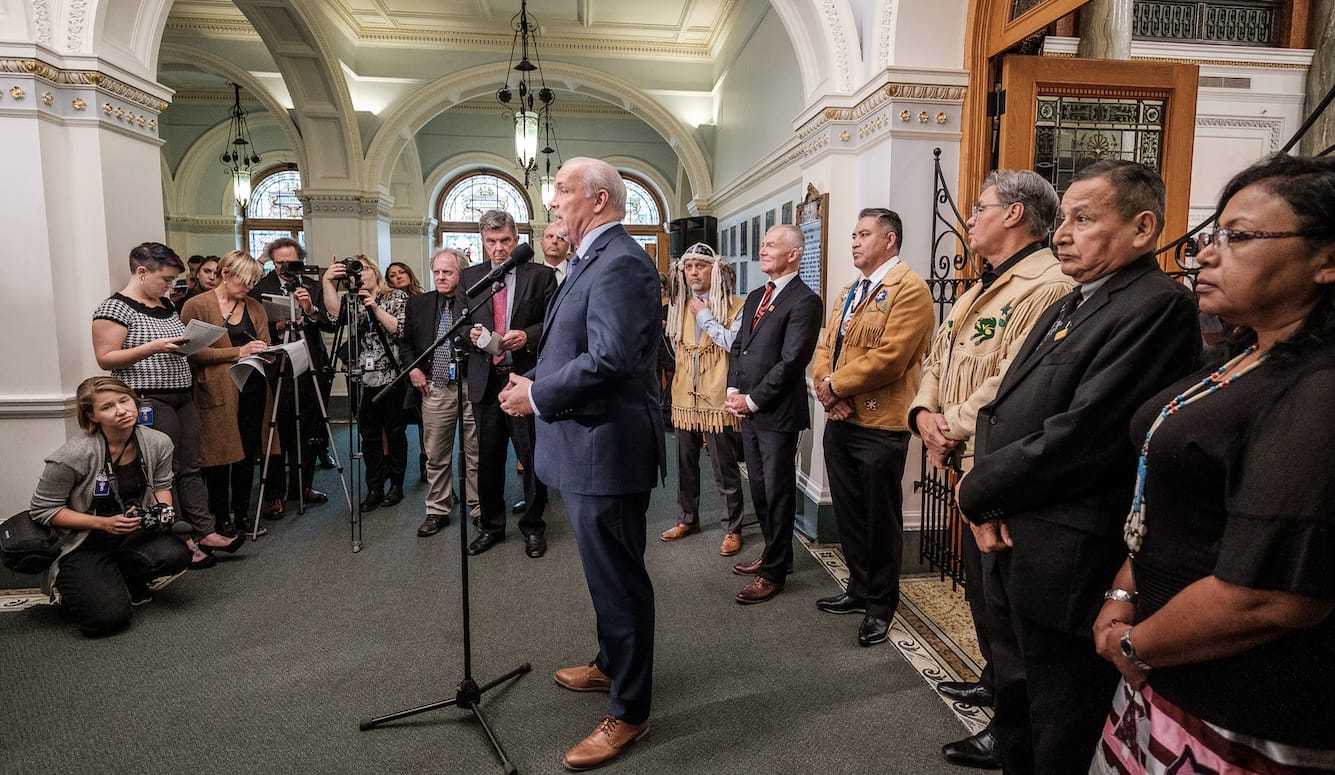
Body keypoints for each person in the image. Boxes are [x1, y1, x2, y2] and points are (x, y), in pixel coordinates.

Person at [954, 160, 1202, 774]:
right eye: (1062, 218)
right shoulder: (1073, 299)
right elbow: (1005, 407)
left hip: (1066, 549)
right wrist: (986, 501)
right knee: (1016, 699)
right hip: (1015, 530)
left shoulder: (1157, 305)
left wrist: (976, 488)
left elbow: (1084, 435)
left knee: (1059, 716)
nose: (1062, 233)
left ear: (1143, 228)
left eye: (1083, 219)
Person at [1091, 154, 1335, 774]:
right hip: (1168, 665)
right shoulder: (1245, 353)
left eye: (1241, 236)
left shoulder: (1318, 386)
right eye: (1213, 233)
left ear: (1327, 259)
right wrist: (1125, 588)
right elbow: (1174, 504)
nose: (1204, 253)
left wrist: (1134, 641)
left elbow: (1270, 596)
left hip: (1239, 699)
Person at [498, 156, 665, 771]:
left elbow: (611, 359)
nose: (553, 203)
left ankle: (630, 709)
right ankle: (609, 663)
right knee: (603, 575)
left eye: (563, 191)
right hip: (586, 442)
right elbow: (568, 346)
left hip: (609, 449)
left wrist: (538, 395)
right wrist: (532, 378)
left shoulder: (620, 262)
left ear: (598, 200)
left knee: (620, 581)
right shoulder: (589, 258)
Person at [908, 171, 1072, 768]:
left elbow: (1013, 381)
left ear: (1016, 215)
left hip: (996, 459)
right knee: (983, 594)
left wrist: (948, 424)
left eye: (980, 208)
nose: (968, 217)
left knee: (1007, 607)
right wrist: (924, 411)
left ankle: (1013, 728)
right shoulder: (985, 282)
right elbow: (942, 354)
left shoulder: (1048, 284)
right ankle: (993, 680)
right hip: (961, 452)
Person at [812, 208, 934, 645]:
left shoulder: (910, 290)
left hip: (881, 424)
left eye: (864, 234)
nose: (855, 241)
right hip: (842, 418)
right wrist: (827, 389)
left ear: (890, 240)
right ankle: (859, 589)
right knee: (848, 513)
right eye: (853, 234)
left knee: (879, 520)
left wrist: (834, 387)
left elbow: (892, 357)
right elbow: (827, 346)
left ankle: (881, 607)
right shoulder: (850, 290)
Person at [91, 241, 242, 568]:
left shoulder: (165, 305)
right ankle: (182, 539)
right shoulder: (115, 307)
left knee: (191, 465)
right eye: (166, 279)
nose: (171, 286)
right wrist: (155, 346)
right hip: (148, 396)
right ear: (142, 272)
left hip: (181, 393)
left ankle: (205, 531)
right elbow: (105, 358)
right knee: (166, 472)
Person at [29, 377, 192, 636]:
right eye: (107, 407)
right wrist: (102, 523)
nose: (121, 410)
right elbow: (43, 510)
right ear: (92, 416)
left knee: (176, 553)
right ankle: (82, 582)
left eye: (124, 400)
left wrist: (162, 512)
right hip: (83, 542)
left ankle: (122, 574)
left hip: (130, 533)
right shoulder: (72, 456)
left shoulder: (158, 442)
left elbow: (162, 486)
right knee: (107, 621)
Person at [726, 224, 824, 604]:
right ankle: (773, 554)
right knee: (760, 491)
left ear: (794, 253)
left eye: (770, 245)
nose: (762, 250)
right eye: (763, 244)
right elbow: (739, 348)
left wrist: (752, 400)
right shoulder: (755, 296)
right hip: (749, 409)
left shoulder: (804, 301)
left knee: (778, 492)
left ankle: (774, 573)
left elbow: (790, 363)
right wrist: (734, 389)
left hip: (777, 413)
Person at [462, 210, 556, 559]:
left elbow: (554, 323)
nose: (498, 249)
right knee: (487, 460)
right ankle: (491, 526)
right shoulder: (470, 278)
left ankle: (533, 527)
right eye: (491, 242)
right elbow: (459, 323)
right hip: (486, 383)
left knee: (532, 459)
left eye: (505, 241)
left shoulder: (541, 276)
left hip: (524, 380)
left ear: (516, 240)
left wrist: (527, 336)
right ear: (482, 243)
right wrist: (472, 337)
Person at [659, 242, 747, 556]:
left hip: (717, 396)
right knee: (684, 463)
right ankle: (687, 519)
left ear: (715, 269)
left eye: (701, 266)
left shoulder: (735, 307)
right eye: (689, 267)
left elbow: (734, 346)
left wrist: (706, 315)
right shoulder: (676, 307)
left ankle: (732, 528)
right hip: (684, 396)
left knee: (724, 467)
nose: (694, 272)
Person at [179, 250, 272, 539]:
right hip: (215, 390)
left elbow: (265, 341)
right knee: (218, 455)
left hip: (252, 386)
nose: (250, 287)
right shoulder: (197, 305)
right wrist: (238, 352)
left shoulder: (254, 306)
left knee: (247, 452)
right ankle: (220, 518)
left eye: (254, 281)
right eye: (245, 280)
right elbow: (189, 352)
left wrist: (266, 352)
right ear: (226, 273)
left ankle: (242, 513)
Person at [250, 237, 335, 516]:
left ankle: (303, 485)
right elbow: (251, 329)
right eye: (280, 262)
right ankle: (274, 493)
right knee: (277, 431)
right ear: (274, 262)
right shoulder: (260, 290)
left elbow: (330, 323)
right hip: (277, 366)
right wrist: (278, 324)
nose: (287, 267)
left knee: (309, 430)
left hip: (309, 364)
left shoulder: (311, 286)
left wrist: (309, 310)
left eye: (292, 262)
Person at [401, 249, 481, 538]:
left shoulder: (475, 301)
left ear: (462, 273)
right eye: (436, 272)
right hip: (434, 388)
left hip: (472, 385)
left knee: (475, 454)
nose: (441, 277)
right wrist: (413, 369)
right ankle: (437, 510)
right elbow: (406, 343)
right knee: (436, 454)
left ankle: (478, 509)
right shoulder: (419, 304)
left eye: (447, 272)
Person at [323, 257, 410, 512]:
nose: (359, 276)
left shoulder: (396, 297)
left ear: (374, 271)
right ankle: (374, 487)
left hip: (391, 376)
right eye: (354, 272)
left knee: (395, 433)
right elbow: (335, 315)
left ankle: (396, 484)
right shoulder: (352, 299)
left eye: (363, 269)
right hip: (361, 376)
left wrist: (374, 307)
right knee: (368, 435)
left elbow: (400, 330)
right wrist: (328, 281)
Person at [386, 260, 428, 480]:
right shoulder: (385, 301)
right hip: (393, 365)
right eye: (392, 275)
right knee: (397, 421)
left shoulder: (422, 299)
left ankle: (425, 462)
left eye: (401, 272)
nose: (397, 277)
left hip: (418, 363)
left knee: (424, 419)